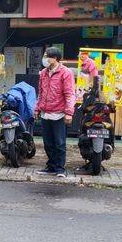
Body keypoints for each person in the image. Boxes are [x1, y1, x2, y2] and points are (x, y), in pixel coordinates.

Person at [34, 47, 76, 177]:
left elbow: (70, 94)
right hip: (45, 113)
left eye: (48, 56)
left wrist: (69, 112)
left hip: (59, 113)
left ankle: (60, 169)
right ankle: (50, 166)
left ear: (56, 58)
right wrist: (37, 108)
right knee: (48, 143)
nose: (45, 59)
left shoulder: (66, 73)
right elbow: (41, 93)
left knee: (59, 143)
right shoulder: (43, 74)